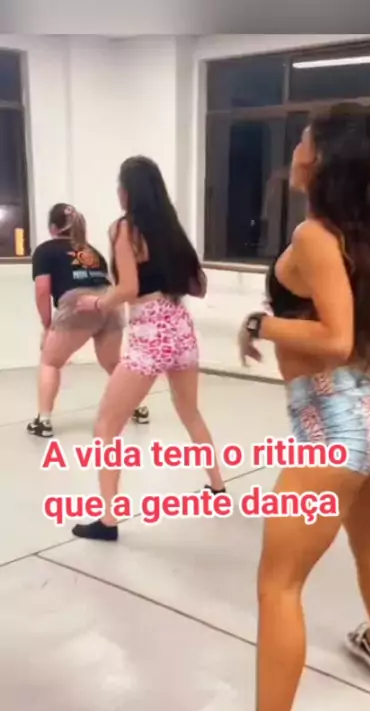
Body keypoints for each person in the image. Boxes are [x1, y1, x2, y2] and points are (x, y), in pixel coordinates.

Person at [198, 104, 370, 711]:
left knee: (279, 584)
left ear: (320, 159)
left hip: (333, 425)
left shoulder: (316, 235)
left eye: (302, 139)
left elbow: (334, 337)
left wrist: (260, 324)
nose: (293, 147)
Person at [71, 156, 225, 542]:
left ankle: (108, 520)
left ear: (127, 192)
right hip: (180, 326)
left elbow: (127, 288)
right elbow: (198, 286)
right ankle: (217, 487)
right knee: (189, 411)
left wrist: (97, 303)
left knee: (107, 424)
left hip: (150, 333)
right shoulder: (171, 228)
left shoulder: (124, 228)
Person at [27, 204, 149, 438]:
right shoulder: (91, 250)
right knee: (113, 363)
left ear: (53, 228)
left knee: (50, 362)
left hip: (78, 304)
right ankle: (138, 408)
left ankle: (43, 421)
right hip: (109, 304)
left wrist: (47, 324)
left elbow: (42, 290)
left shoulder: (45, 250)